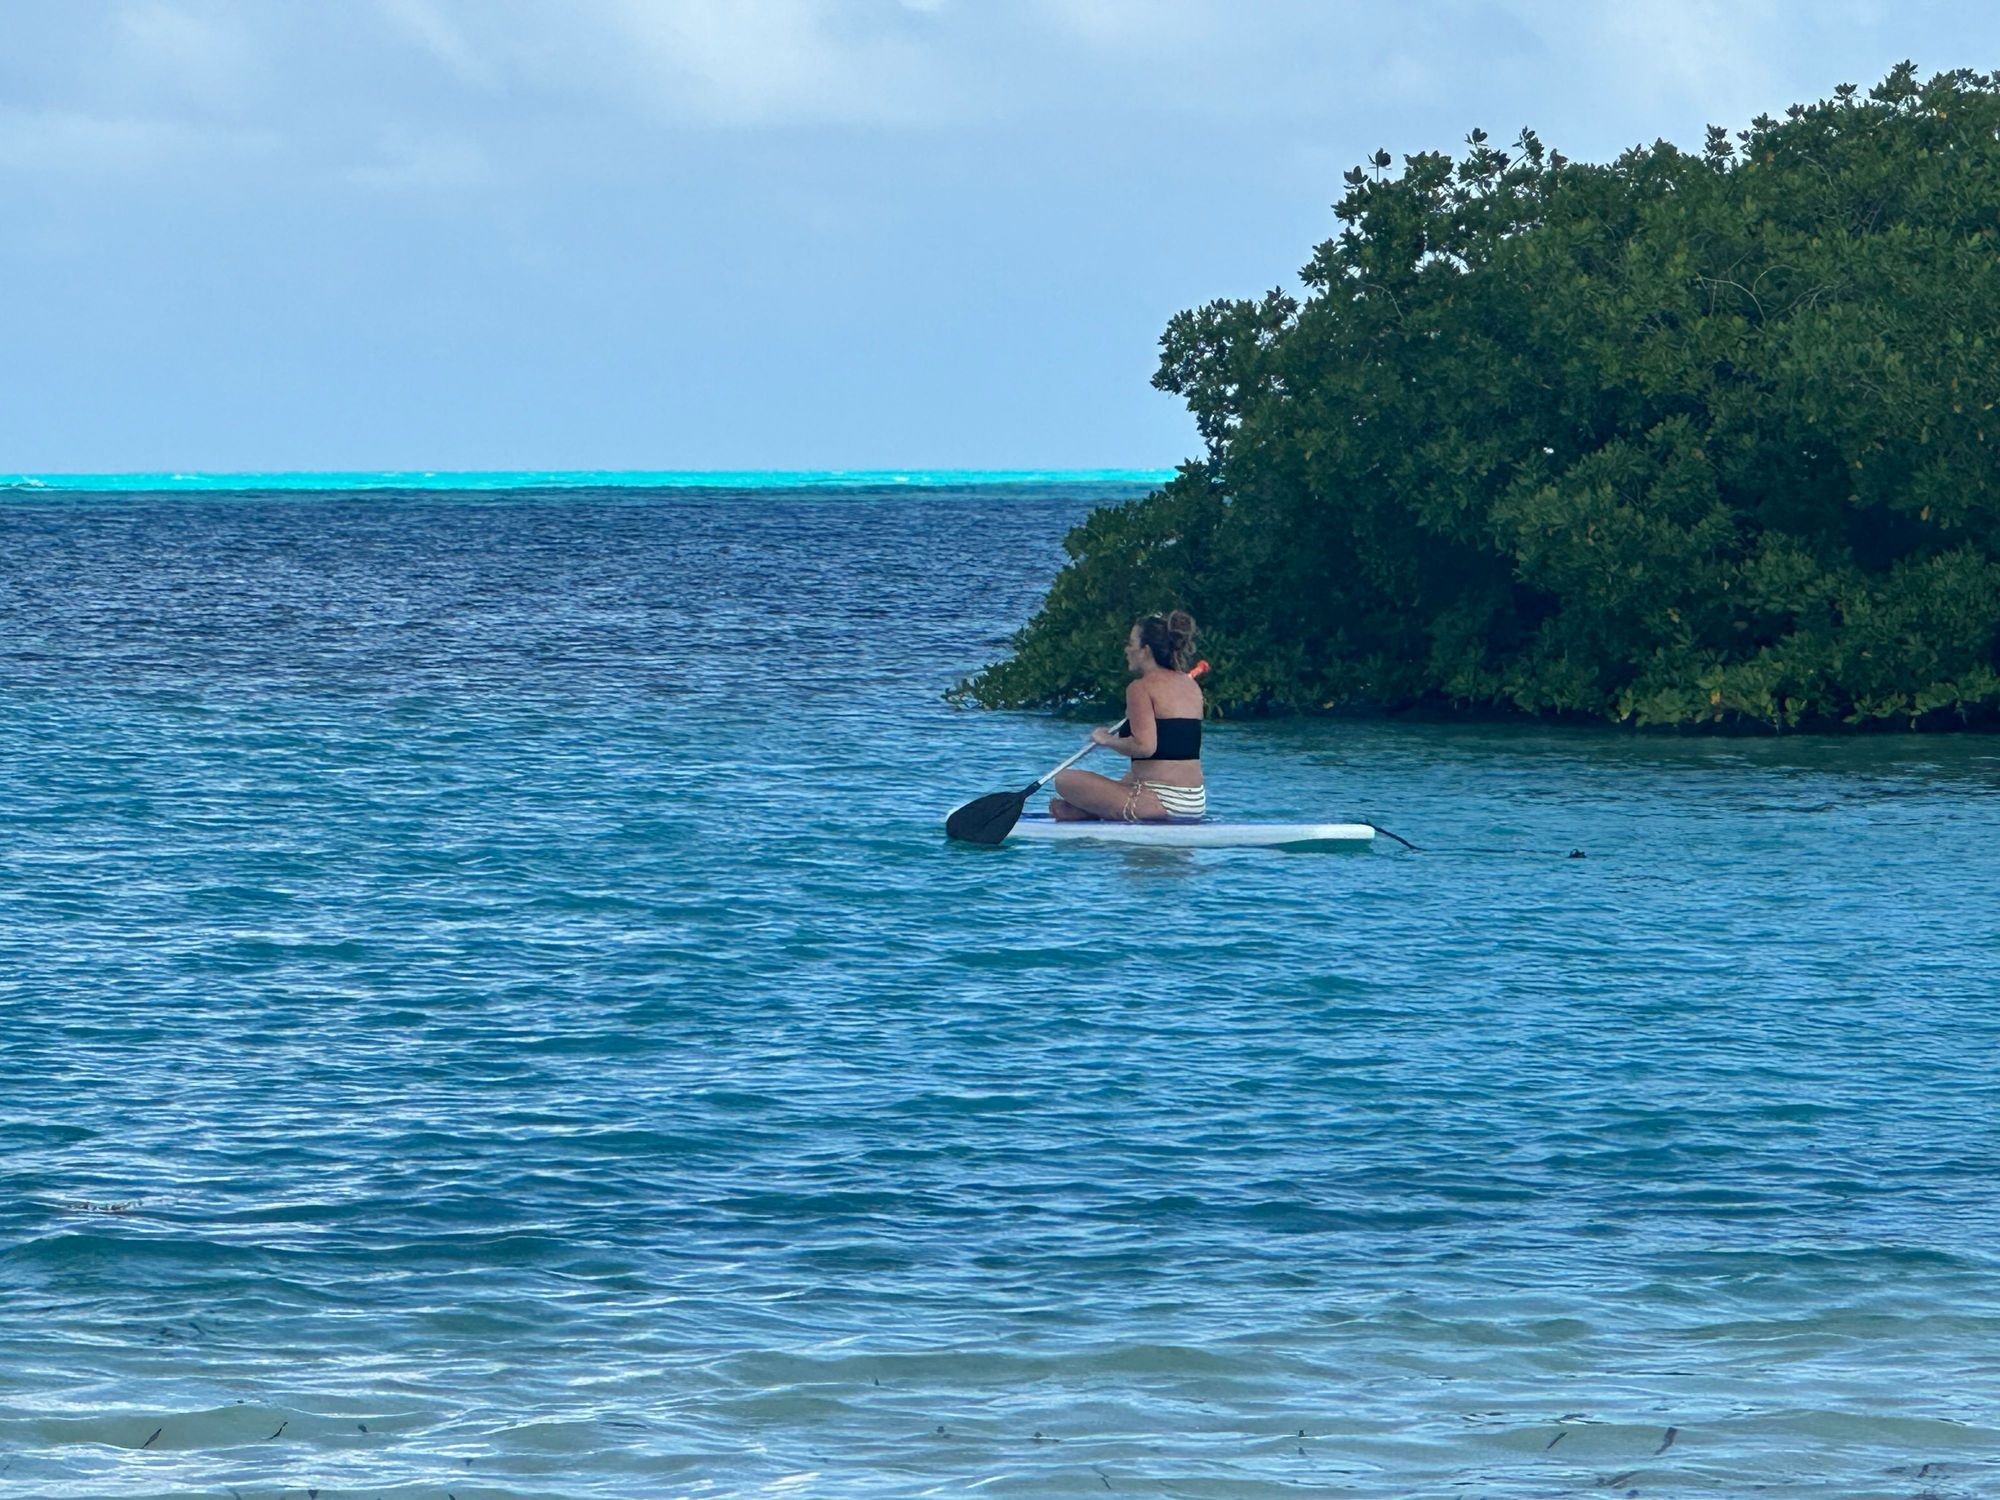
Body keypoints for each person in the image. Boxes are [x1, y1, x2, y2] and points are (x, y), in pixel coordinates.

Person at [1049, 610, 1206, 822]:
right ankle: (1087, 811)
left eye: (1131, 643)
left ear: (1146, 650)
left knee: (1064, 779)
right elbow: (1172, 747)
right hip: (1194, 803)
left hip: (1161, 803)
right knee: (1130, 777)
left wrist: (1107, 740)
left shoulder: (1140, 688)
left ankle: (1090, 811)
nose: (1127, 649)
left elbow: (1145, 747)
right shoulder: (1191, 686)